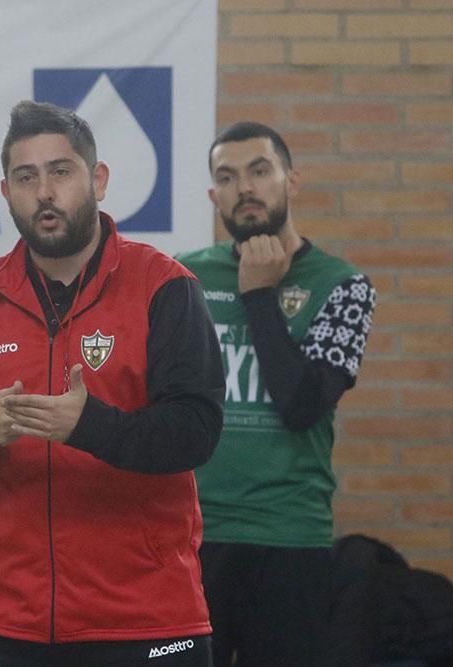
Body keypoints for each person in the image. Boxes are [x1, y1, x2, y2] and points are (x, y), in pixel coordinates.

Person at [0, 100, 225, 666]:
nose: (44, 192)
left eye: (61, 171)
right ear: (6, 192)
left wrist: (88, 425)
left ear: (96, 179)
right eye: (26, 178)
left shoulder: (164, 286)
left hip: (144, 620)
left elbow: (196, 432)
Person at [176, 122, 376, 667]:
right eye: (227, 176)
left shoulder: (343, 286)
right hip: (193, 539)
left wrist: (259, 295)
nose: (245, 188)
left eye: (260, 171)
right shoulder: (184, 279)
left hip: (290, 538)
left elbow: (302, 406)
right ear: (213, 195)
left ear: (292, 181)